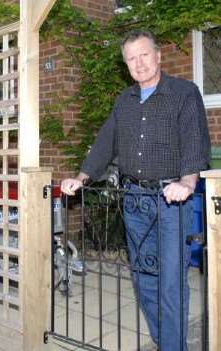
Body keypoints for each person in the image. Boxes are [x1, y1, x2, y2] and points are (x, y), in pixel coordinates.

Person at [61, 29, 210, 351]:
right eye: (131, 58)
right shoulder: (124, 101)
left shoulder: (184, 92)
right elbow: (105, 142)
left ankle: (173, 347)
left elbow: (194, 138)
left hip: (172, 202)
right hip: (134, 202)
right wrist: (82, 176)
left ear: (157, 56)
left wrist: (188, 181)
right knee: (144, 278)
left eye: (144, 55)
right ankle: (164, 341)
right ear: (126, 64)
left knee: (170, 283)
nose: (139, 63)